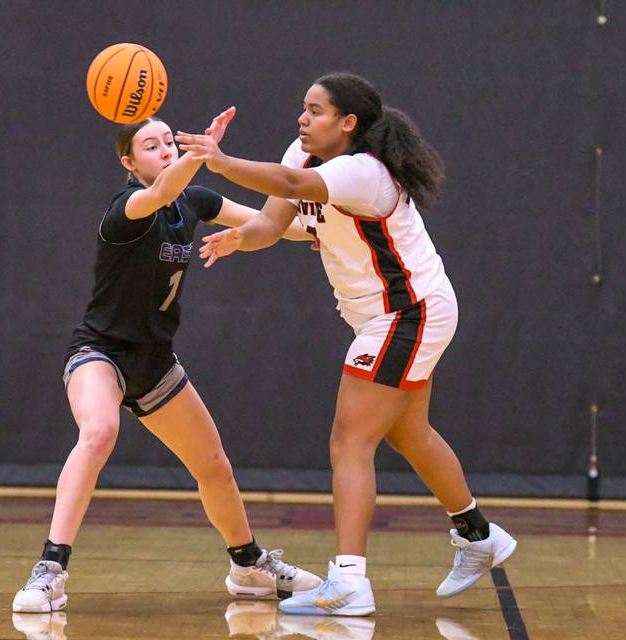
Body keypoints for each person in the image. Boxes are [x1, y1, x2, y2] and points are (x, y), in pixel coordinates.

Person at [175, 73, 517, 615]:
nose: (302, 118)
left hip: (407, 312)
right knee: (408, 432)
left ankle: (350, 581)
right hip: (393, 315)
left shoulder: (365, 171)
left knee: (349, 441)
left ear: (348, 123)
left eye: (316, 111)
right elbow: (272, 222)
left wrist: (219, 162)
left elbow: (292, 183)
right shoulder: (302, 154)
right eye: (303, 108)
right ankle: (478, 534)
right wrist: (243, 237)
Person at [12, 107, 320, 613]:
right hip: (101, 351)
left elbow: (267, 222)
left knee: (213, 464)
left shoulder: (194, 200)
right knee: (99, 432)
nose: (165, 150)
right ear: (129, 162)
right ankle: (50, 570)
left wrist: (319, 233)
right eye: (151, 146)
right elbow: (160, 193)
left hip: (155, 360)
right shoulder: (128, 207)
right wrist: (202, 154)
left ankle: (247, 565)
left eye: (168, 142)